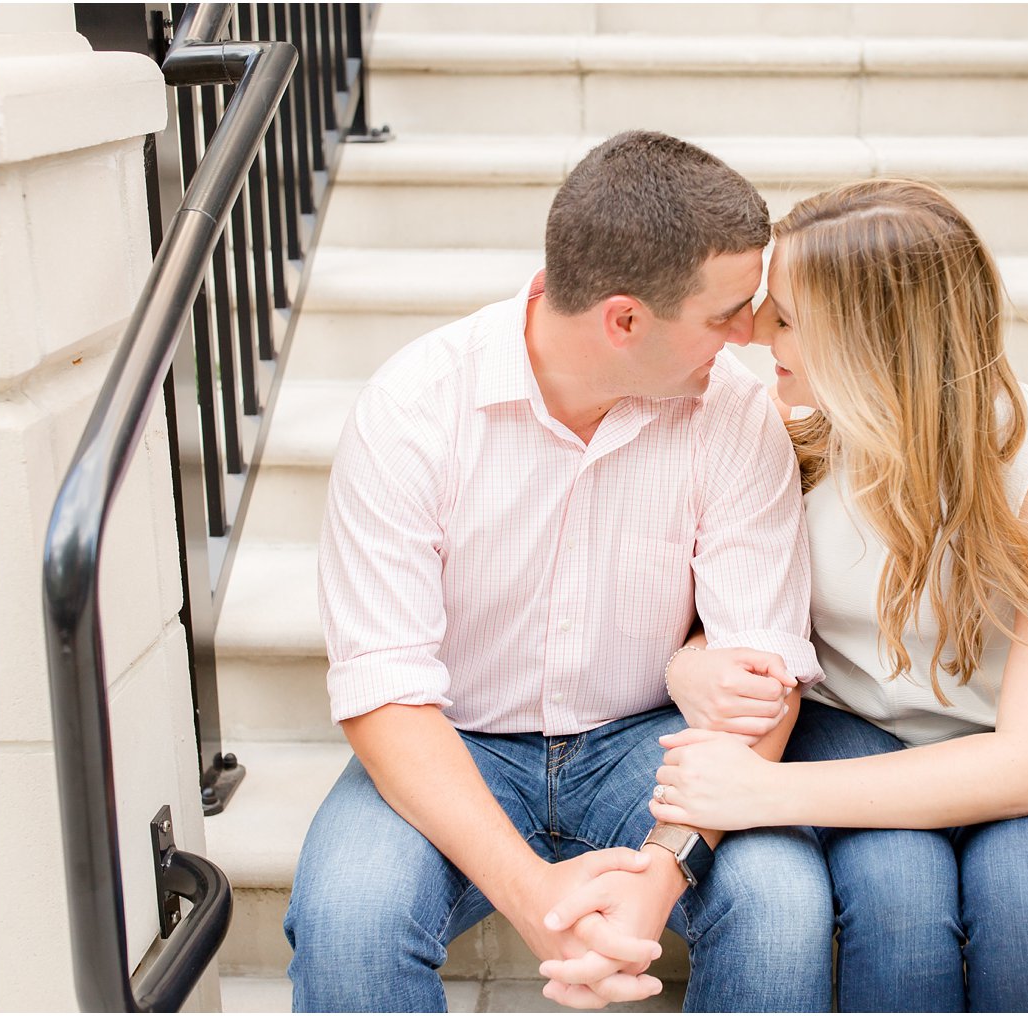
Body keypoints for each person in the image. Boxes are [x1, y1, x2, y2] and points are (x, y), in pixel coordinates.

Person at [284, 130, 833, 1013]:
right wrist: (535, 900)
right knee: (351, 920)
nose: (751, 336)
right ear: (624, 320)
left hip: (645, 746)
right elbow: (384, 693)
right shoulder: (415, 409)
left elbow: (764, 676)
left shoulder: (735, 416)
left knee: (782, 906)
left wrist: (662, 874)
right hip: (457, 738)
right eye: (726, 313)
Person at [649, 179, 1028, 1012]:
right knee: (899, 910)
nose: (756, 331)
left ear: (878, 339)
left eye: (788, 316)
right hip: (849, 725)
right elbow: (719, 618)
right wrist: (691, 664)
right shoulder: (784, 430)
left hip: (1011, 743)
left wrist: (768, 795)